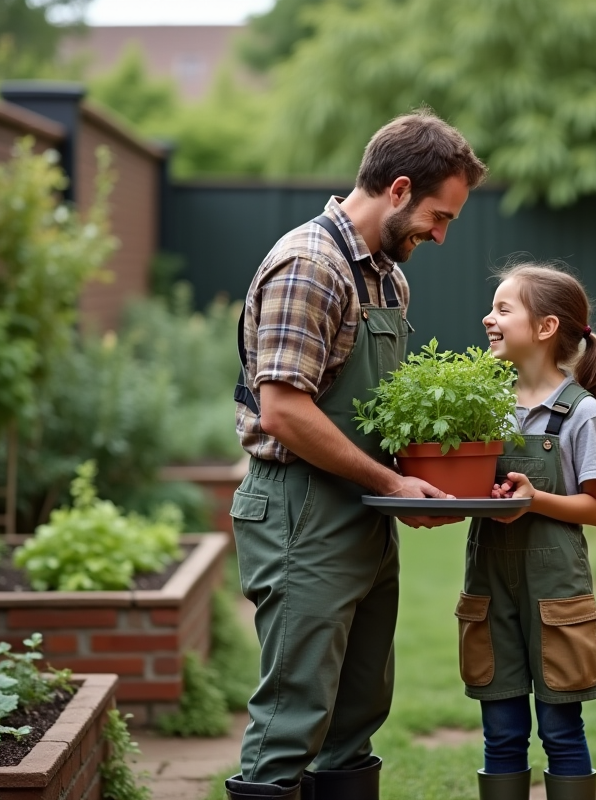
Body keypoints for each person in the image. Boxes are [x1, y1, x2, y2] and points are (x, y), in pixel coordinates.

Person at [226, 110, 488, 800]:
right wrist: (390, 484)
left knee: (356, 715)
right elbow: (284, 410)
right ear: (398, 189)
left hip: (362, 510)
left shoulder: (388, 279)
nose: (440, 234)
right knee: (293, 717)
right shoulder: (310, 267)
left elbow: (377, 410)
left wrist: (422, 482)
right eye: (440, 216)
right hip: (298, 512)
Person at [459, 263, 596, 800]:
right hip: (489, 582)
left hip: (556, 590)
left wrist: (535, 499)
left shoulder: (580, 414)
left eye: (504, 309)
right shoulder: (487, 404)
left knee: (560, 730)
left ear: (546, 328)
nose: (489, 318)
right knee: (501, 731)